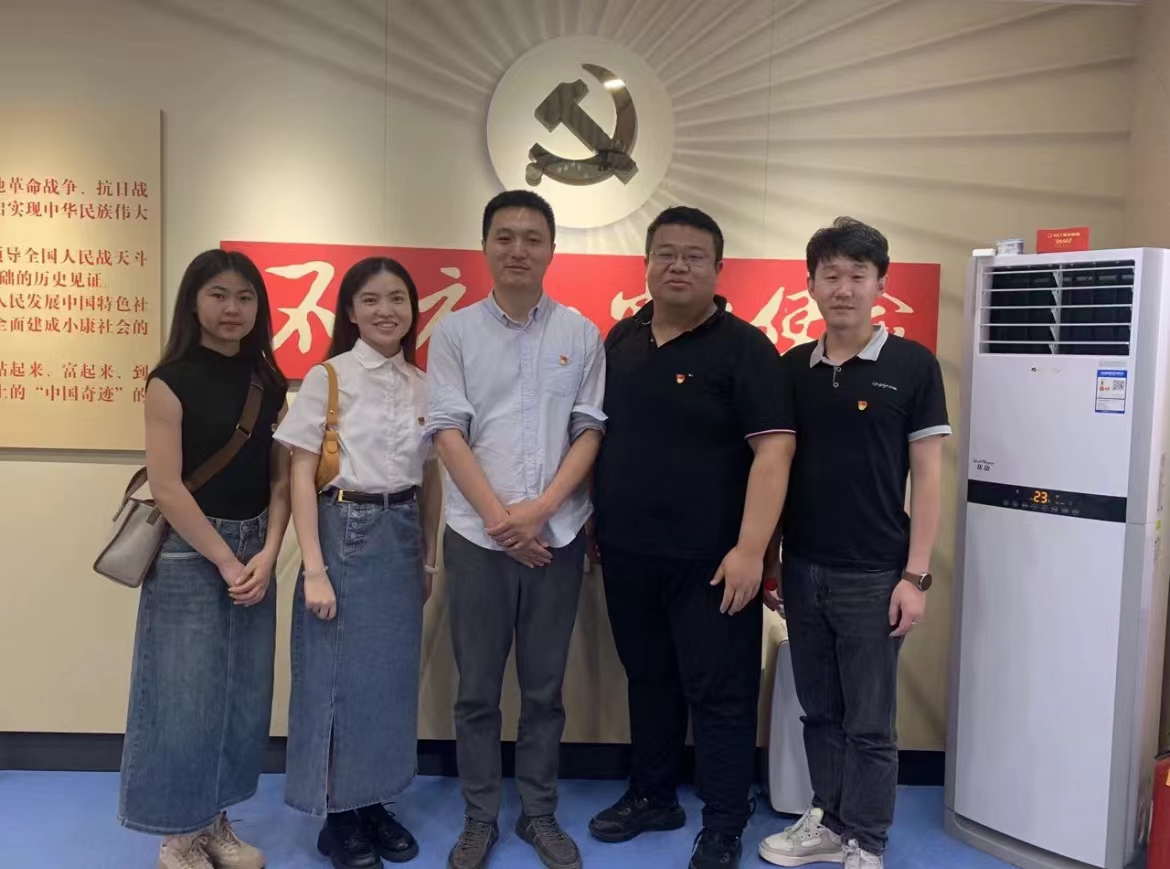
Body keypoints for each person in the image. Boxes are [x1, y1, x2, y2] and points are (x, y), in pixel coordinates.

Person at [589, 206, 797, 869]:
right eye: (666, 253)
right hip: (627, 552)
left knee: (721, 693)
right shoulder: (621, 340)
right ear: (647, 262)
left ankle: (725, 821)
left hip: (714, 561)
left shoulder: (746, 348)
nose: (678, 265)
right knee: (648, 678)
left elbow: (774, 453)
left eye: (694, 256)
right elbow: (602, 438)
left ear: (718, 268)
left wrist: (751, 550)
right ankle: (653, 795)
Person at [757, 218, 949, 869]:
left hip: (875, 573)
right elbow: (776, 469)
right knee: (820, 713)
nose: (843, 288)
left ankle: (868, 839)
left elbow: (928, 477)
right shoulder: (793, 369)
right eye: (831, 275)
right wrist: (773, 556)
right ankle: (830, 822)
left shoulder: (912, 365)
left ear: (879, 284)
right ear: (811, 284)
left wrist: (915, 577)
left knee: (869, 720)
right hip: (804, 567)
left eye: (857, 275)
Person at [425, 189, 606, 869]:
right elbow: (447, 431)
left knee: (544, 690)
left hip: (557, 538)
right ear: (485, 246)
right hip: (477, 539)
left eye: (533, 238)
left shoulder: (581, 334)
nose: (519, 249)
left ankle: (538, 812)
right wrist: (503, 522)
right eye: (505, 236)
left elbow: (589, 430)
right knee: (476, 690)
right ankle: (479, 816)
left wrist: (540, 511)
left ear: (552, 249)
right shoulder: (455, 333)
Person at [118, 249, 290, 869]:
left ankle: (213, 820)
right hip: (190, 554)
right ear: (194, 302)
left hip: (256, 547)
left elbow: (281, 477)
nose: (232, 308)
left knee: (241, 698)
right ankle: (177, 836)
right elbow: (166, 486)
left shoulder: (269, 381)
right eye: (218, 295)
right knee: (182, 697)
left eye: (245, 297)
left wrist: (269, 551)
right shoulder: (169, 380)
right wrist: (225, 559)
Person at [274, 257, 441, 869]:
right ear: (350, 310)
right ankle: (336, 817)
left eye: (397, 299)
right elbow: (299, 473)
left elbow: (431, 476)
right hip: (341, 527)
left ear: (412, 310)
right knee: (335, 681)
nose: (385, 311)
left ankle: (374, 803)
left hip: (402, 532)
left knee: (389, 682)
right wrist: (313, 569)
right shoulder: (329, 377)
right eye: (370, 300)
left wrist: (428, 559)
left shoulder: (424, 385)